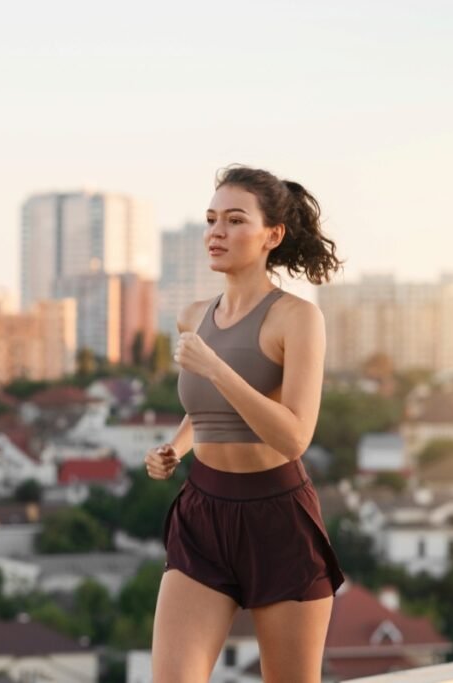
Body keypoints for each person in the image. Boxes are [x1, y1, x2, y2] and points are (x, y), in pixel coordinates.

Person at [147, 164, 346, 683]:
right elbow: (206, 407)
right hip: (203, 516)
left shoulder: (297, 319)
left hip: (277, 520)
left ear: (272, 235)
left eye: (235, 220)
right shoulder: (193, 316)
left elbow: (294, 434)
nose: (217, 232)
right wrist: (175, 447)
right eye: (212, 219)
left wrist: (215, 365)